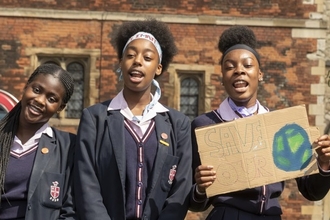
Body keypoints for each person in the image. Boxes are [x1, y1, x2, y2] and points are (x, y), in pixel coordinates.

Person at [189, 25, 330, 220]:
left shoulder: (282, 126)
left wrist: (323, 165)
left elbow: (312, 192)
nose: (239, 71)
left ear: (260, 74)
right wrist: (200, 187)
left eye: (247, 65)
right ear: (222, 78)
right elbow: (196, 203)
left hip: (271, 215)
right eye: (230, 67)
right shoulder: (204, 126)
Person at [74, 18, 192, 220]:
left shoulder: (178, 124)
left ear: (158, 68)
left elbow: (180, 188)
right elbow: (86, 183)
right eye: (130, 55)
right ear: (121, 63)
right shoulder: (95, 118)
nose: (137, 61)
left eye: (147, 57)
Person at [0, 63, 76, 219]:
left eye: (51, 98)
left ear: (60, 108)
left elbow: (71, 210)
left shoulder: (68, 147)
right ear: (26, 87)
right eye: (36, 90)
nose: (40, 100)